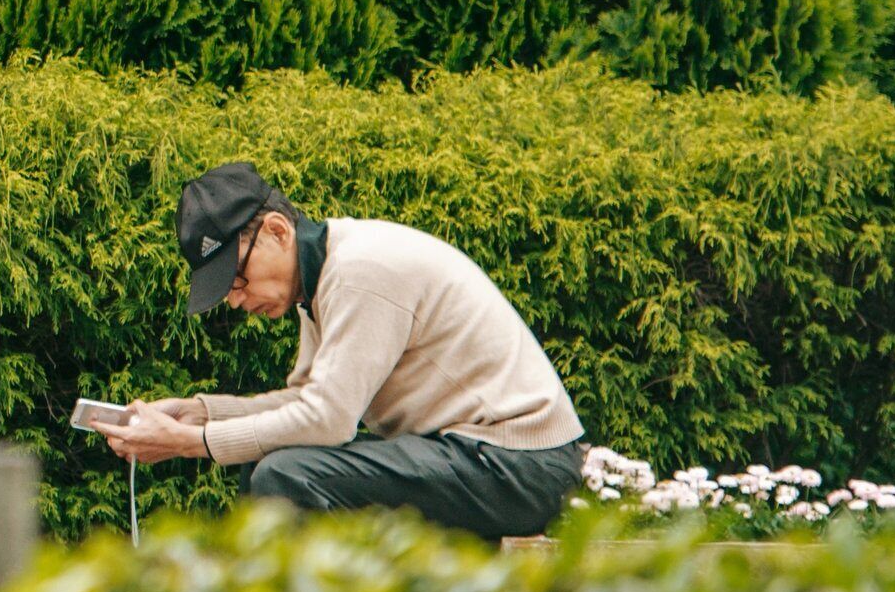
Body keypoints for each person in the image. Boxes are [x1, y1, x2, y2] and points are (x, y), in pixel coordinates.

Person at [103, 161, 585, 539]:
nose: (235, 298)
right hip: (472, 454)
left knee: (286, 476)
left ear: (277, 230)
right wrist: (198, 415)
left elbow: (328, 421)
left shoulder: (360, 273)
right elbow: (307, 403)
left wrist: (190, 444)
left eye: (237, 277)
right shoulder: (322, 277)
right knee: (267, 460)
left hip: (518, 465)